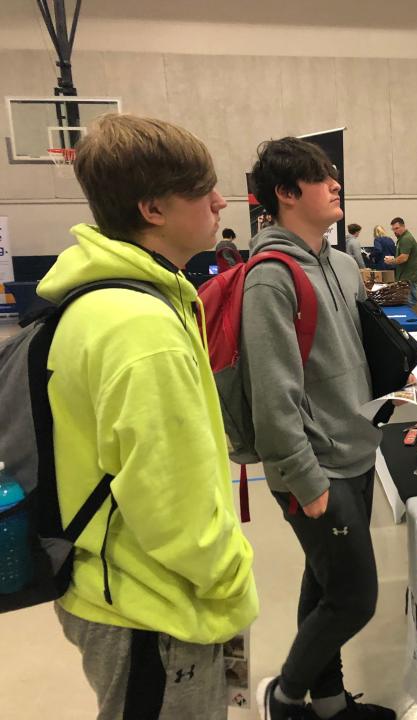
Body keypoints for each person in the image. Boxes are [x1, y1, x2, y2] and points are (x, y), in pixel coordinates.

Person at [35, 113, 259, 718]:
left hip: (119, 589)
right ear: (153, 209)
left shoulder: (110, 300)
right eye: (201, 190)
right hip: (148, 606)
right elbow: (169, 501)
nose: (219, 201)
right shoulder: (140, 328)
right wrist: (230, 573)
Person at [243, 137, 394, 720]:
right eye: (320, 177)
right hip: (315, 466)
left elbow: (353, 356)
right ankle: (284, 700)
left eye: (333, 175)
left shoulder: (343, 264)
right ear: (285, 193)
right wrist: (305, 481)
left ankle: (328, 703)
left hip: (357, 449)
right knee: (355, 599)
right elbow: (274, 396)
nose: (335, 184)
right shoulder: (270, 277)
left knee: (324, 585)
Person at [385, 216, 417, 304]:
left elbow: (404, 258)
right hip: (406, 277)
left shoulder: (406, 239)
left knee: (411, 304)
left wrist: (391, 261)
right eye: (393, 229)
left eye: (397, 228)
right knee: (410, 303)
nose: (395, 231)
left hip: (409, 278)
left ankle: (415, 317)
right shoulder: (402, 239)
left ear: (403, 226)